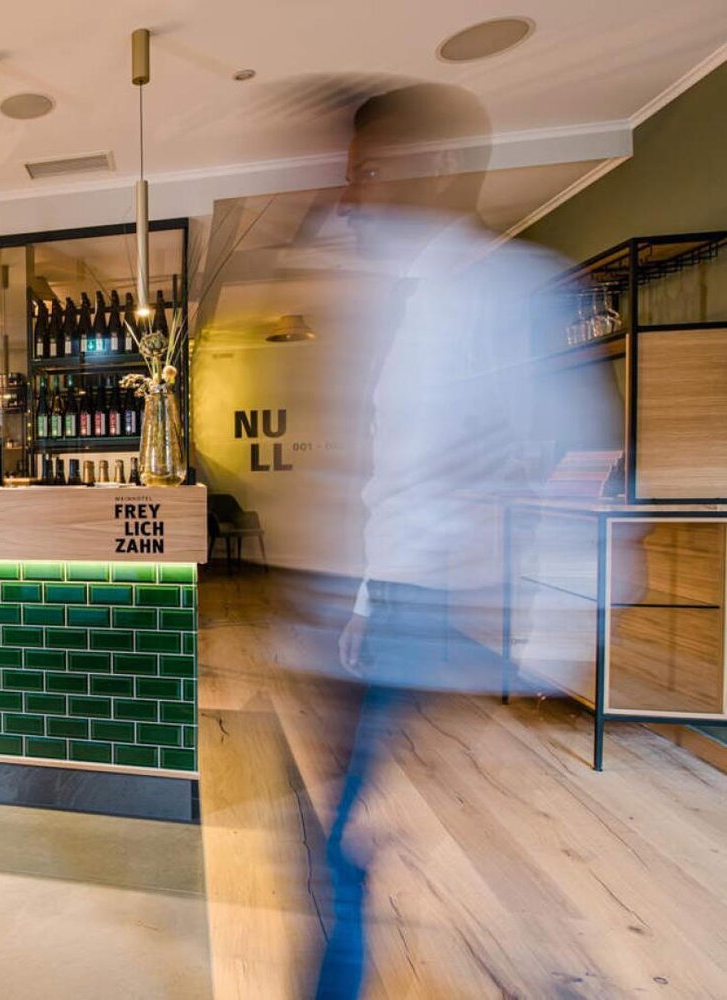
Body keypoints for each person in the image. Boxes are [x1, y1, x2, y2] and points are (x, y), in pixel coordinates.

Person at [314, 83, 570, 998]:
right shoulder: (395, 300)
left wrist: (540, 645)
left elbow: (566, 454)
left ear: (441, 167)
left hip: (448, 611)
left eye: (370, 169)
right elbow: (385, 478)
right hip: (392, 605)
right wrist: (359, 599)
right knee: (344, 833)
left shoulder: (509, 290)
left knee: (362, 838)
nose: (354, 192)